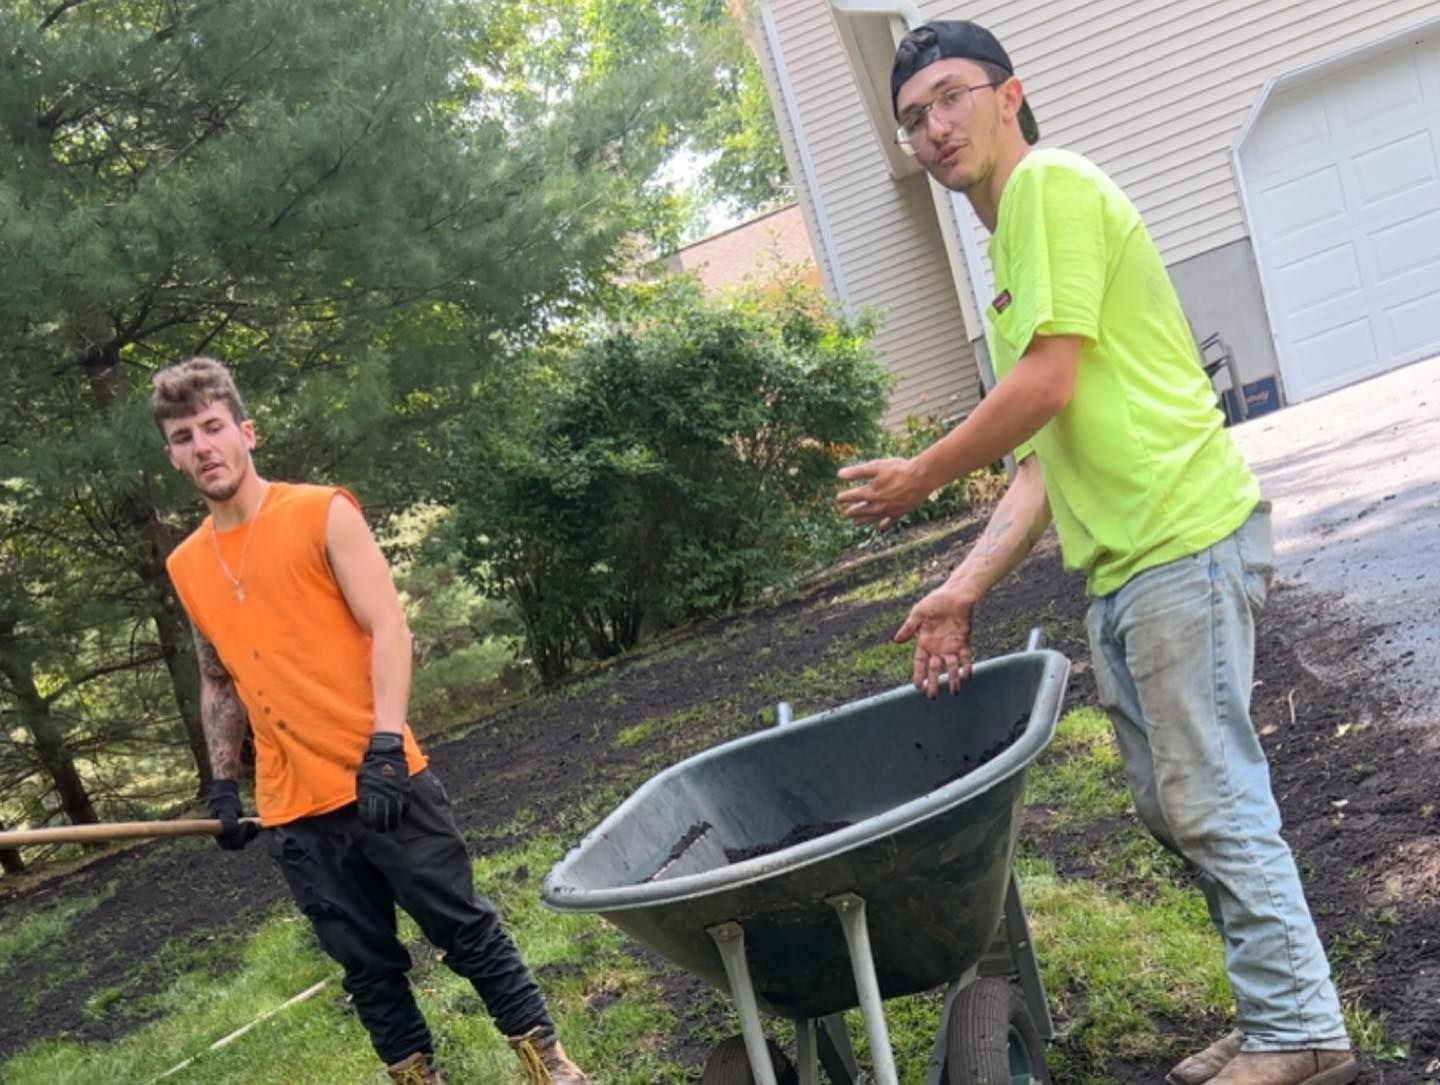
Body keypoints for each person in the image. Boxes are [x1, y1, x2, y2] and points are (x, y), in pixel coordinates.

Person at [836, 21, 1356, 1085]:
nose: (934, 128)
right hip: (1128, 565)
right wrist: (960, 587)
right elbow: (1042, 461)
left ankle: (1300, 1028)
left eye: (950, 97)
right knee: (1177, 803)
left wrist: (922, 474)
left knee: (1209, 793)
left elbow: (1049, 383)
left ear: (1010, 94)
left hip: (1180, 537)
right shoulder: (1009, 255)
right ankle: (1277, 1013)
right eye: (914, 117)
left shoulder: (1048, 189)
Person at [153, 357, 588, 1085]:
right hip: (296, 813)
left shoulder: (320, 511)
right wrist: (225, 784)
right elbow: (216, 674)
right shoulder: (188, 562)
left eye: (212, 426)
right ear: (171, 454)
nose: (202, 446)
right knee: (368, 971)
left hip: (384, 780)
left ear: (245, 431)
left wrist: (386, 744)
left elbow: (389, 626)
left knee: (467, 932)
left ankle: (554, 1070)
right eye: (182, 435)